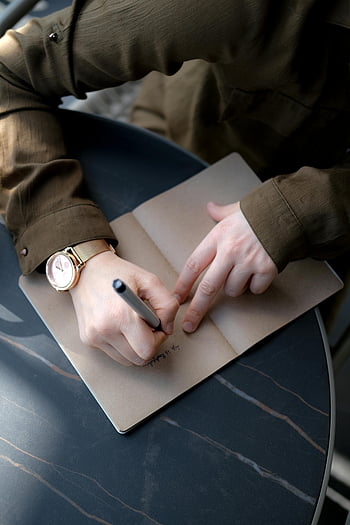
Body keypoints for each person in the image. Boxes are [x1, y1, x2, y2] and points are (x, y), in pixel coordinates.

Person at [1, 0, 349, 366]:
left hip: (327, 243)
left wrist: (301, 210)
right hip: (177, 150)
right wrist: (80, 258)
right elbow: (9, 70)